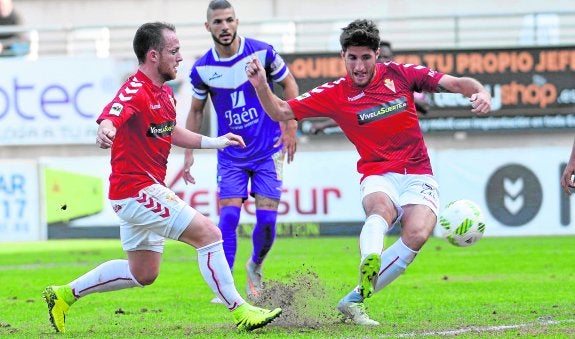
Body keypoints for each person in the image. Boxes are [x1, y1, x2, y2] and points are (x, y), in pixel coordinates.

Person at [245, 19, 491, 325]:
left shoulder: (401, 75)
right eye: (353, 58)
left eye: (365, 57)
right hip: (378, 173)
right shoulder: (335, 93)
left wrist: (480, 92)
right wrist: (261, 86)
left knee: (417, 234)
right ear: (343, 57)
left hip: (419, 174)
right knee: (380, 208)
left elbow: (456, 84)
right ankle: (370, 259)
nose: (359, 66)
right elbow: (281, 110)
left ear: (377, 55)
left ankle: (355, 299)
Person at [42, 22, 282, 334]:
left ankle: (63, 295)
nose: (180, 57)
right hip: (136, 191)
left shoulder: (164, 94)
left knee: (143, 273)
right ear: (154, 56)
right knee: (209, 233)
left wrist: (216, 141)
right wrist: (107, 129)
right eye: (174, 51)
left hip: (136, 192)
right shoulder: (135, 89)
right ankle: (240, 310)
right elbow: (112, 115)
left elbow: (172, 132)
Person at [183, 0, 299, 304]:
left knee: (267, 222)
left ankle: (255, 266)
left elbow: (290, 85)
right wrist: (189, 149)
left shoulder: (263, 52)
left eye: (229, 20)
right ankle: (227, 287)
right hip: (232, 153)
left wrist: (290, 126)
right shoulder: (202, 68)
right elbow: (196, 110)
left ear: (237, 21)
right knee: (229, 217)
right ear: (208, 27)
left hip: (268, 150)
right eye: (218, 22)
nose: (225, 27)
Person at [305, 40, 429, 135]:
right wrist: (323, 125)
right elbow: (351, 115)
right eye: (379, 57)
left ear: (392, 58)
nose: (382, 60)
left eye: (386, 57)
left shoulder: (403, 78)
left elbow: (425, 107)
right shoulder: (364, 86)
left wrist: (400, 97)